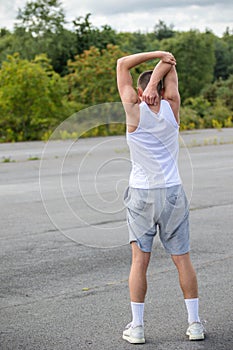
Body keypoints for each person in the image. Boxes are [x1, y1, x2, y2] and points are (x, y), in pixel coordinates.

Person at [116, 51, 205, 344]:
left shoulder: (133, 108)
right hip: (172, 191)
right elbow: (171, 61)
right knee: (182, 260)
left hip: (142, 193)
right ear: (166, 89)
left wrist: (152, 65)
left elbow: (122, 64)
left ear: (138, 91)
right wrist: (158, 80)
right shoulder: (172, 107)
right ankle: (194, 324)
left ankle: (138, 328)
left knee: (140, 261)